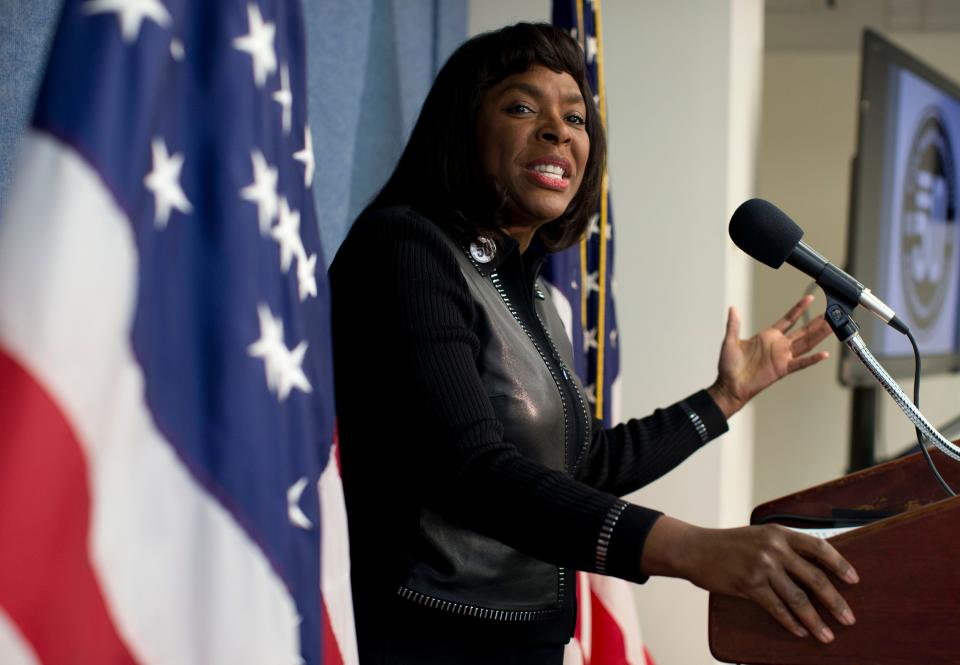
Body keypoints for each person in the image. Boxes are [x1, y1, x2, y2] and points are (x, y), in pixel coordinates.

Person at [329, 22, 858, 665]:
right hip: (429, 643)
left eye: (575, 117)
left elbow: (582, 463)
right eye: (523, 106)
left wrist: (723, 398)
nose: (558, 130)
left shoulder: (534, 294)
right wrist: (692, 549)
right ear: (462, 126)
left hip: (527, 643)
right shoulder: (406, 251)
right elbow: (471, 469)